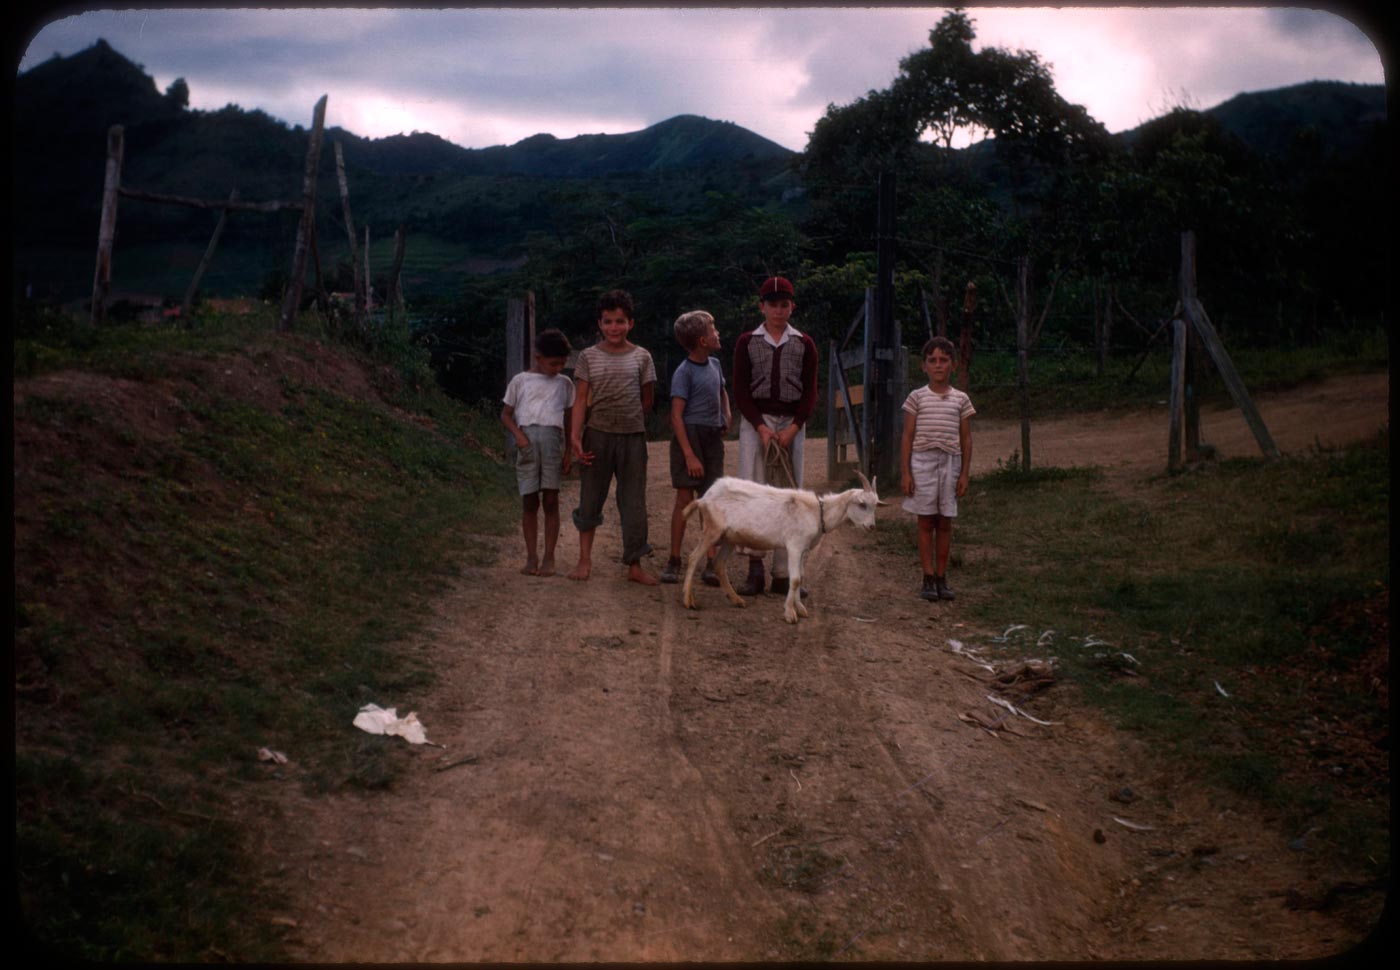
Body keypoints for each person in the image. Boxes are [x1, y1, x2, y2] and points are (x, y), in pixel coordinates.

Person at [731, 276, 819, 596]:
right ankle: (755, 569)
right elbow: (740, 388)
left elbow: (810, 391)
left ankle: (784, 572)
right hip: (757, 421)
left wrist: (794, 428)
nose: (779, 311)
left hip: (792, 421)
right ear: (761, 306)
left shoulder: (804, 343)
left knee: (788, 494)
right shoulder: (747, 342)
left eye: (785, 305)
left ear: (792, 306)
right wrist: (761, 427)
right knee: (755, 491)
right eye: (772, 305)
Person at [567, 289, 659, 585]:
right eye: (608, 322)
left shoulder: (643, 357)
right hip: (598, 436)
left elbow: (647, 400)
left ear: (630, 323)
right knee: (590, 497)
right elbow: (580, 399)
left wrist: (629, 420)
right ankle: (584, 559)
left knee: (633, 502)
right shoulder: (588, 357)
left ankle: (634, 564)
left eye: (620, 321)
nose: (614, 328)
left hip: (632, 438)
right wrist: (575, 436)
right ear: (600, 324)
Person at [899, 336, 975, 601]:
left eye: (944, 360)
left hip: (950, 463)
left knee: (944, 522)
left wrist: (964, 473)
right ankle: (928, 577)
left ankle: (943, 578)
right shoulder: (916, 398)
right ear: (924, 366)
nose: (938, 365)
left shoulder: (961, 400)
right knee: (925, 521)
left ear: (952, 365)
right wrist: (906, 472)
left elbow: (966, 438)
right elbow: (907, 436)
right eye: (933, 360)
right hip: (922, 463)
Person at [659, 310, 731, 585]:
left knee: (711, 502)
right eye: (713, 330)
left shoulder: (715, 364)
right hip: (689, 437)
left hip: (712, 437)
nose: (718, 334)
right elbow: (676, 415)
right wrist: (689, 454)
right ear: (702, 340)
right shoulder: (684, 372)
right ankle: (674, 559)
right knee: (685, 500)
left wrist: (726, 414)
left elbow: (722, 391)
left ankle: (711, 561)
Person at [500, 328, 576, 577]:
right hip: (528, 443)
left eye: (562, 364)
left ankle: (549, 557)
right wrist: (519, 437)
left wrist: (568, 453)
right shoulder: (520, 381)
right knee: (530, 500)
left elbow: (568, 419)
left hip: (553, 443)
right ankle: (531, 556)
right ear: (538, 358)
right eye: (553, 363)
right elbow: (506, 414)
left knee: (551, 500)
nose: (558, 368)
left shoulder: (565, 384)